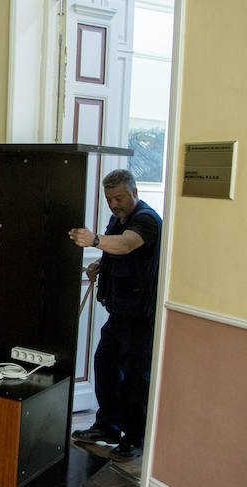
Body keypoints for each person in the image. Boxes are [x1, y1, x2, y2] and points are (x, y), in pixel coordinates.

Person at [68, 169, 162, 462]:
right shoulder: (117, 219)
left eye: (119, 198)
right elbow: (117, 252)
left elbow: (126, 244)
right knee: (105, 365)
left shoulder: (147, 220)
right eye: (109, 199)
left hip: (141, 318)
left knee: (136, 379)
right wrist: (101, 265)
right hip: (119, 313)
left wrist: (95, 240)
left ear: (135, 193)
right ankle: (107, 427)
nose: (114, 204)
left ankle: (134, 439)